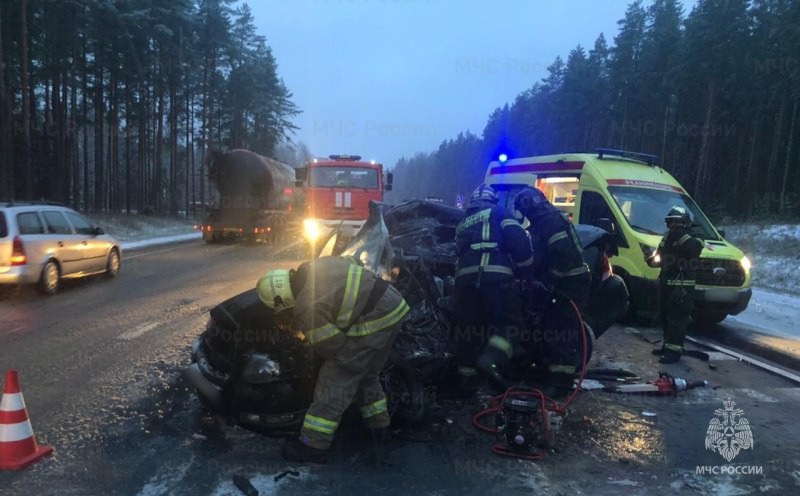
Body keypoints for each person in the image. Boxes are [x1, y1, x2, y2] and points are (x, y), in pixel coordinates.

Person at [257, 256, 410, 463]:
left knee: (335, 378)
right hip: (393, 304)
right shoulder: (315, 266)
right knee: (366, 375)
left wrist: (314, 353)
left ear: (282, 299)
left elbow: (332, 346)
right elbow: (353, 261)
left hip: (377, 318)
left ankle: (313, 445)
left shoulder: (305, 306)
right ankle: (379, 429)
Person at [454, 184, 534, 392]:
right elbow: (521, 246)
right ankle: (490, 360)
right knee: (510, 326)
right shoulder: (500, 212)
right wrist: (526, 273)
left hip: (465, 285)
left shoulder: (462, 223)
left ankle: (467, 384)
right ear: (492, 200)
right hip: (497, 281)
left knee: (469, 332)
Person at [513, 186, 592, 394]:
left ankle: (562, 383)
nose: (527, 216)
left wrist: (548, 282)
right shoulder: (542, 223)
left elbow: (561, 256)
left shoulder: (550, 221)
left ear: (531, 206)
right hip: (562, 281)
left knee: (562, 330)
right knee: (550, 326)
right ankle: (551, 372)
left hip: (570, 282)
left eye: (526, 212)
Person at [648, 206, 704, 364]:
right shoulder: (667, 237)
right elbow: (660, 258)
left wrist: (684, 235)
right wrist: (651, 260)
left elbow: (695, 249)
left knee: (677, 320)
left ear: (685, 223)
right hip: (666, 284)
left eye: (677, 222)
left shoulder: (693, 238)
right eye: (671, 222)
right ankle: (667, 347)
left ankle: (674, 352)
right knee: (664, 317)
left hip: (682, 287)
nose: (674, 225)